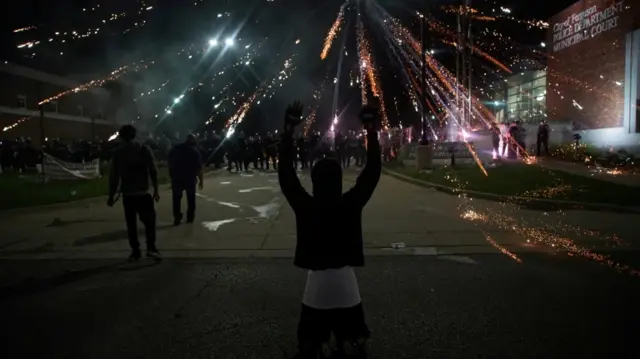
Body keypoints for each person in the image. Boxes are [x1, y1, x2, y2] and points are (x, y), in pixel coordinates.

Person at [278, 101, 381, 359]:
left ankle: (316, 345)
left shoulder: (306, 207)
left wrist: (288, 132)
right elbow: (372, 173)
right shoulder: (349, 204)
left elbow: (286, 176)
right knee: (353, 340)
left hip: (316, 286)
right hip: (346, 283)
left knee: (311, 343)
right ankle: (350, 342)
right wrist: (371, 130)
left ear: (314, 182)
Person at [107, 125, 162, 262]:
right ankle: (151, 247)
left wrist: (111, 195)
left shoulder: (118, 153)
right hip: (143, 193)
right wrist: (156, 190)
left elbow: (114, 176)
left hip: (128, 194)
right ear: (135, 134)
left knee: (131, 224)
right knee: (150, 222)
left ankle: (136, 251)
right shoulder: (144, 149)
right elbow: (153, 170)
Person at [168, 134, 204, 226]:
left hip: (177, 177)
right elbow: (199, 168)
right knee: (191, 198)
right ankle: (190, 217)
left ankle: (177, 217)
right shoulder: (194, 152)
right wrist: (201, 181)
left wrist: (171, 176)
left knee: (176, 199)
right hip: (189, 178)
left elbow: (170, 163)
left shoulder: (176, 149)